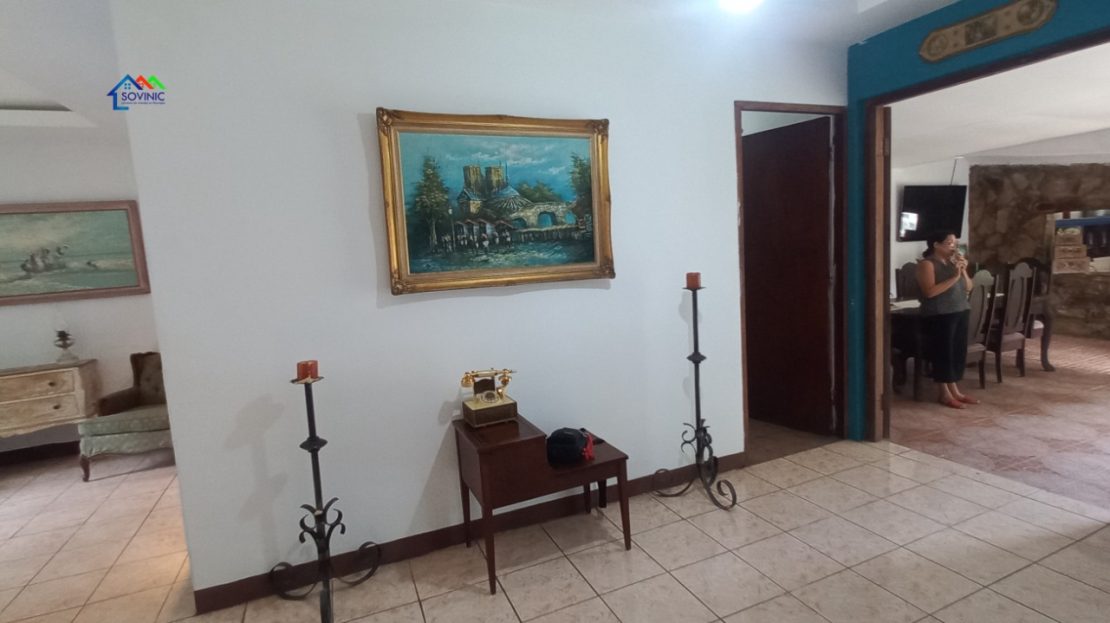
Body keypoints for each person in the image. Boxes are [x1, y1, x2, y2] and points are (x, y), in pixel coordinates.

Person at [916, 231, 977, 409]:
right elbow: (929, 292)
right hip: (940, 314)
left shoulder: (953, 263)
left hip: (960, 310)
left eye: (955, 243)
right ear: (936, 244)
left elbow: (969, 287)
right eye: (949, 243)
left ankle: (955, 391)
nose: (953, 247)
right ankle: (944, 393)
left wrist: (963, 271)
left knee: (956, 352)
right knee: (943, 352)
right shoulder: (927, 264)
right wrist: (954, 277)